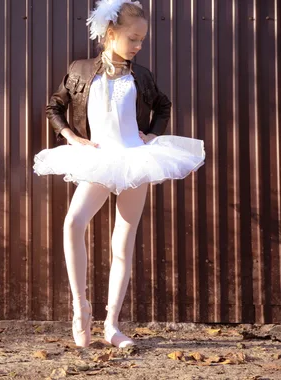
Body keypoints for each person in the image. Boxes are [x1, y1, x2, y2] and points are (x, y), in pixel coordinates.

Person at [32, 0, 205, 348]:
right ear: (111, 34)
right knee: (72, 223)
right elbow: (55, 105)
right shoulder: (81, 69)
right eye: (134, 38)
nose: (139, 46)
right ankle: (81, 310)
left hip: (134, 160)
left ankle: (112, 325)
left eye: (142, 39)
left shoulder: (141, 75)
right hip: (98, 159)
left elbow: (162, 105)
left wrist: (154, 134)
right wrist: (72, 137)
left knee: (121, 244)